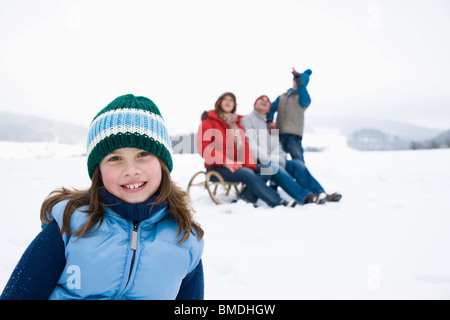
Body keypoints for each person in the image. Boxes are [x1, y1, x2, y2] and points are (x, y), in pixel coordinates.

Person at [1, 94, 204, 300]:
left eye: (143, 154)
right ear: (98, 170)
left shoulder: (185, 239)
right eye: (115, 158)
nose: (131, 170)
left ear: (162, 163)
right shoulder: (69, 226)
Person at [197, 92, 296, 208]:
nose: (228, 102)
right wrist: (225, 161)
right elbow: (203, 147)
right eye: (225, 99)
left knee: (268, 168)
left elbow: (244, 148)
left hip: (238, 166)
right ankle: (278, 201)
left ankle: (245, 198)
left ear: (234, 105)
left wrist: (251, 166)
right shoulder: (209, 121)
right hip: (218, 168)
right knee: (247, 173)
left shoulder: (236, 125)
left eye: (231, 100)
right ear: (219, 102)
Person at [242, 95, 342, 204]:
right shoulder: (247, 120)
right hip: (256, 164)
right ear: (254, 104)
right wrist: (272, 159)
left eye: (267, 101)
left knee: (297, 165)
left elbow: (278, 147)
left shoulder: (271, 125)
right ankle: (307, 197)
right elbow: (250, 146)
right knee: (274, 168)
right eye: (261, 99)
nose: (264, 102)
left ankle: (321, 193)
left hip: (274, 160)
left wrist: (278, 158)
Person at [266, 68, 312, 163]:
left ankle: (302, 176)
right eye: (295, 80)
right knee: (278, 158)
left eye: (299, 82)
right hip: (279, 134)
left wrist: (300, 82)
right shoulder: (282, 97)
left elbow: (304, 98)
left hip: (293, 135)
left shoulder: (304, 98)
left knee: (298, 158)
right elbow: (271, 108)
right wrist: (270, 120)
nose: (296, 83)